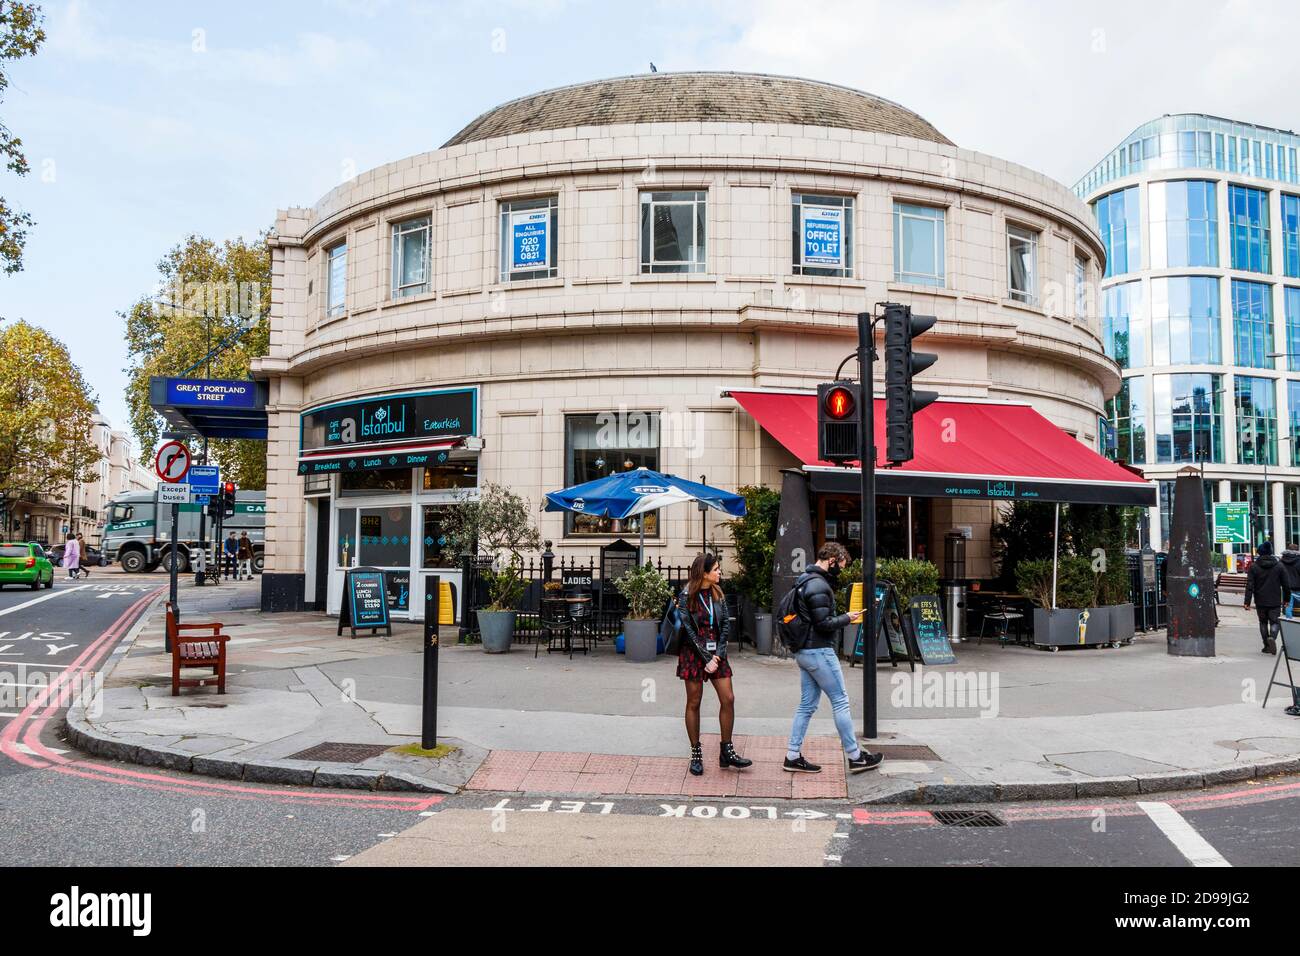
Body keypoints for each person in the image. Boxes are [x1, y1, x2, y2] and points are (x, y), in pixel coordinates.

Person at [784, 542, 884, 775]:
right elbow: (823, 623)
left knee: (807, 705)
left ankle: (792, 755)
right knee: (840, 701)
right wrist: (847, 618)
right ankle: (855, 756)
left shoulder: (805, 579)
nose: (841, 569)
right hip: (819, 651)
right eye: (841, 564)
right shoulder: (819, 585)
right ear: (831, 559)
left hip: (805, 652)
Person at [673, 552, 752, 777]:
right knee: (694, 702)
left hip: (716, 652)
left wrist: (717, 654)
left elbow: (725, 624)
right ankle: (696, 753)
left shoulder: (718, 593)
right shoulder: (686, 595)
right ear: (704, 573)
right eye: (716, 569)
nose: (720, 572)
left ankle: (726, 750)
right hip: (693, 652)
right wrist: (706, 658)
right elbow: (687, 629)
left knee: (728, 698)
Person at [1245, 541, 1287, 655]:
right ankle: (1272, 637)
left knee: (1263, 622)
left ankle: (1266, 645)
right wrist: (1287, 600)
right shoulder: (1279, 566)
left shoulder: (1254, 566)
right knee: (1275, 622)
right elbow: (1285, 584)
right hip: (1275, 600)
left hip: (1260, 600)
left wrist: (1247, 602)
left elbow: (1249, 585)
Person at [1282, 545, 1300, 618]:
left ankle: (1289, 622)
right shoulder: (1299, 560)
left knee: (1288, 606)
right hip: (1298, 587)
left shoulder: (1282, 560)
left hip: (1286, 587)